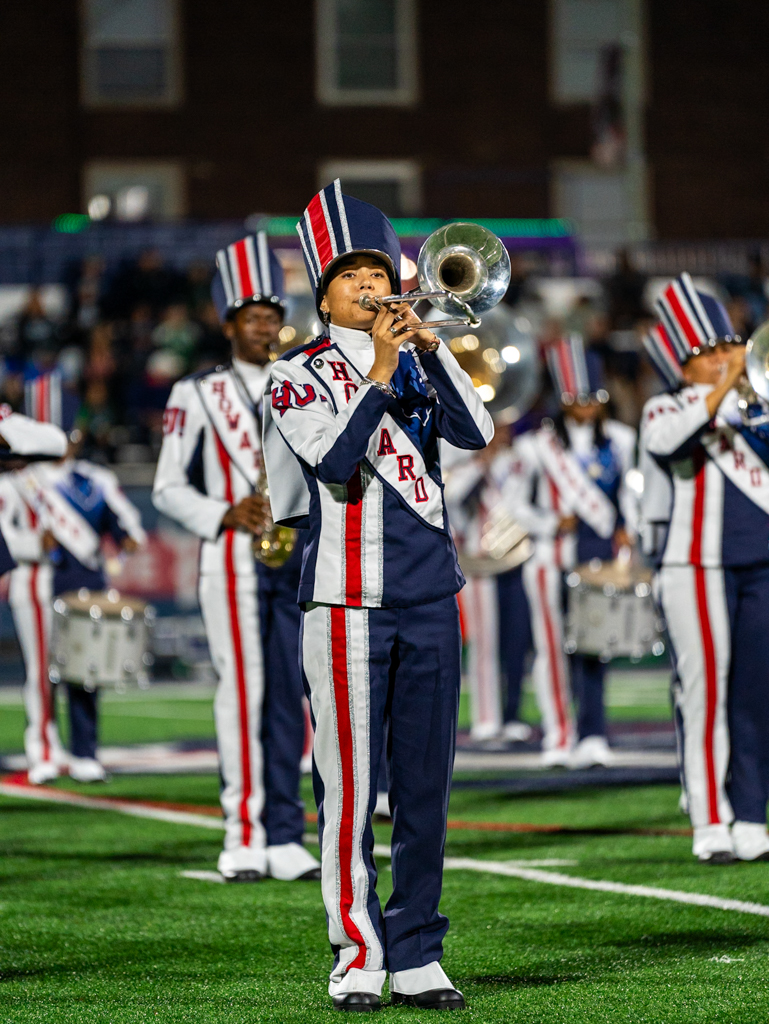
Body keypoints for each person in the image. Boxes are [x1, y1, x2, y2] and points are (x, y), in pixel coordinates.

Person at [262, 180, 493, 1011]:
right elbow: (331, 462)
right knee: (351, 793)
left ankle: (418, 951)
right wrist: (386, 369)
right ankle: (357, 952)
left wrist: (429, 353)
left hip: (432, 596)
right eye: (352, 275)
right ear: (322, 289)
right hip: (345, 604)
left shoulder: (422, 359)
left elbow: (476, 432)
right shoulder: (296, 374)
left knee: (427, 788)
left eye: (378, 269)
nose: (372, 284)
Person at [153, 233, 320, 884]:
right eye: (253, 319)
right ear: (228, 325)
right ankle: (242, 829)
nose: (266, 329)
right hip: (229, 555)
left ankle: (285, 831)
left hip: (295, 552)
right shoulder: (194, 394)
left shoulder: (301, 382)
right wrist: (223, 511)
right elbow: (167, 486)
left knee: (291, 696)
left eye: (274, 319)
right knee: (243, 691)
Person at [645, 272, 769, 863]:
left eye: (727, 347)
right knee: (705, 694)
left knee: (755, 694)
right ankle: (710, 818)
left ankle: (751, 814)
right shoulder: (664, 406)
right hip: (696, 567)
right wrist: (724, 389)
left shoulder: (758, 406)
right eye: (706, 353)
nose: (723, 359)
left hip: (761, 566)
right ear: (682, 364)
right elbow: (670, 443)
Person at [506, 335, 636, 768]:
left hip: (596, 558)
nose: (586, 404)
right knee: (550, 649)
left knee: (594, 646)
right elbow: (515, 505)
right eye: (577, 396)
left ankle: (594, 733)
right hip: (547, 559)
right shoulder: (536, 445)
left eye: (593, 396)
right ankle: (559, 735)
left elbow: (631, 495)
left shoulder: (620, 439)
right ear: (562, 398)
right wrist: (549, 522)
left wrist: (627, 528)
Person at [13, 430, 146, 782]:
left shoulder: (95, 479)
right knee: (41, 674)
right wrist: (31, 543)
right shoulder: (19, 480)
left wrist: (127, 539)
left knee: (85, 673)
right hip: (39, 584)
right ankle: (43, 751)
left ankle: (85, 752)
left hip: (85, 587)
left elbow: (123, 523)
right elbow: (7, 536)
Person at [443, 428, 532, 744]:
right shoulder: (462, 465)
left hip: (515, 558)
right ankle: (486, 718)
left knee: (516, 642)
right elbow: (455, 502)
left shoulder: (518, 460)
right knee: (483, 643)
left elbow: (521, 502)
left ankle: (513, 714)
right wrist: (481, 464)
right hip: (478, 563)